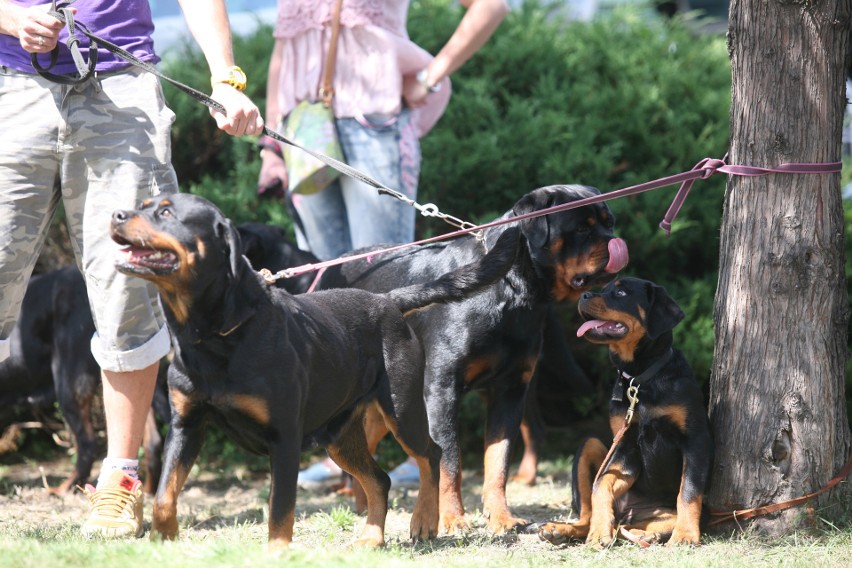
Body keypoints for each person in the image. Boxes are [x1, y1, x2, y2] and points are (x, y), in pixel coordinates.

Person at [0, 0, 263, 539]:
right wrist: (10, 18)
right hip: (14, 89)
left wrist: (225, 78)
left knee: (129, 291)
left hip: (121, 94)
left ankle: (119, 484)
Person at [256, 0, 509, 490]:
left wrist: (431, 76)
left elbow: (490, 7)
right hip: (304, 132)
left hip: (374, 120)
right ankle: (348, 452)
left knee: (394, 295)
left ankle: (421, 450)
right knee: (327, 303)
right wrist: (273, 143)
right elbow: (283, 50)